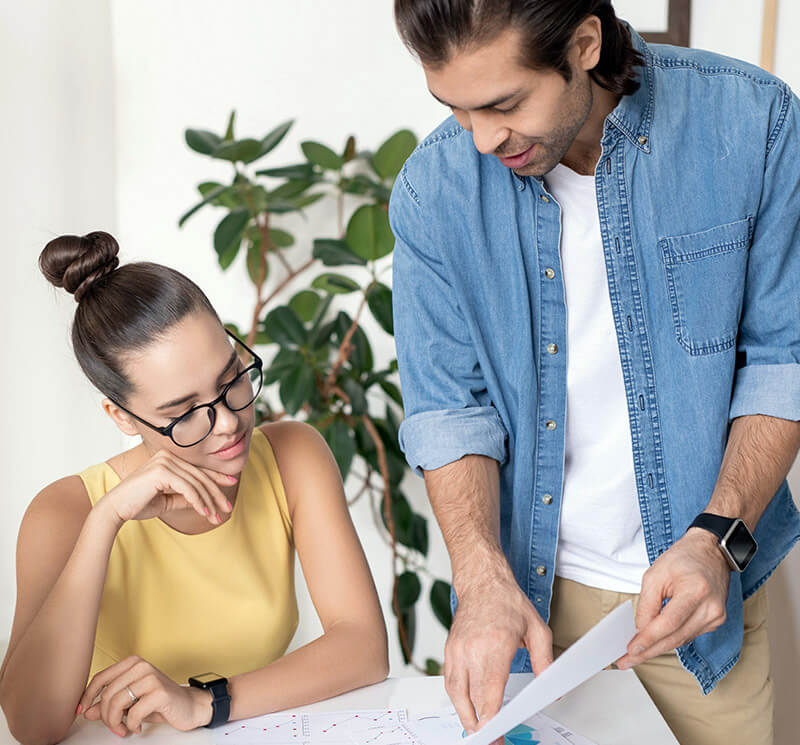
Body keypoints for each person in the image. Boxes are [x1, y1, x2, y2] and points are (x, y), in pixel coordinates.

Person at [389, 2, 800, 744]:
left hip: (701, 603)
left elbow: (783, 358)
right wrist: (479, 577)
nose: (481, 139)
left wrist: (718, 539)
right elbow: (450, 410)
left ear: (583, 43)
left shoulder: (752, 122)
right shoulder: (432, 191)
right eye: (454, 108)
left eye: (504, 104)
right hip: (528, 606)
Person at [0, 232, 389, 744]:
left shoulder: (294, 457)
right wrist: (105, 522)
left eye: (231, 380)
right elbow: (32, 726)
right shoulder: (63, 512)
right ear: (121, 416)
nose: (228, 423)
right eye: (184, 412)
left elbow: (364, 647)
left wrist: (204, 701)